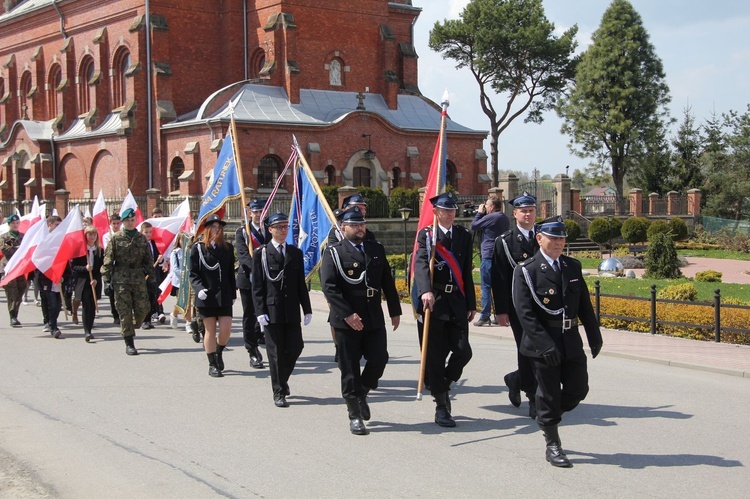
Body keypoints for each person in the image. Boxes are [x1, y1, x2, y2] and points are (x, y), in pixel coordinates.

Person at [512, 215, 603, 468]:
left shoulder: (571, 267)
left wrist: (594, 337)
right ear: (539, 238)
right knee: (549, 394)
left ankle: (545, 419)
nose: (559, 242)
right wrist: (544, 344)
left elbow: (584, 304)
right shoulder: (527, 270)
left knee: (578, 389)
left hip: (570, 339)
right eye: (554, 237)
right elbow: (525, 314)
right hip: (543, 343)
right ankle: (553, 443)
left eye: (562, 238)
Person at [321, 207, 402, 435]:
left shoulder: (375, 249)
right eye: (355, 225)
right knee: (349, 369)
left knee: (379, 359)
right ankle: (354, 413)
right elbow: (329, 286)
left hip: (372, 314)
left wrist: (395, 310)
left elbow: (387, 281)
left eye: (362, 224)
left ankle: (363, 391)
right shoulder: (334, 252)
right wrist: (347, 314)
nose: (360, 228)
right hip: (346, 318)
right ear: (343, 227)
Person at [414, 192, 476, 428]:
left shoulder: (463, 236)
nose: (450, 214)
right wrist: (425, 290)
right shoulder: (427, 235)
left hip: (457, 301)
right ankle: (441, 405)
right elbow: (420, 263)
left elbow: (467, 270)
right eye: (445, 210)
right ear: (436, 212)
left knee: (463, 351)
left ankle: (444, 383)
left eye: (452, 211)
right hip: (435, 302)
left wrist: (471, 303)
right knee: (436, 357)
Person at [252, 212, 312, 407]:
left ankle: (282, 379)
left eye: (286, 227)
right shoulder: (261, 253)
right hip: (272, 310)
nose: (283, 230)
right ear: (270, 230)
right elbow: (258, 286)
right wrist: (260, 310)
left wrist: (307, 308)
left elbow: (300, 284)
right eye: (279, 227)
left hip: (291, 309)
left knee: (296, 347)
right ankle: (279, 391)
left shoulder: (295, 253)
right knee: (275, 353)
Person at [491, 191, 540, 417]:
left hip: (544, 306)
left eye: (531, 210)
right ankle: (533, 396)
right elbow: (499, 278)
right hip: (518, 307)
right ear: (515, 213)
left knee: (546, 349)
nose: (528, 215)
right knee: (527, 350)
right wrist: (500, 310)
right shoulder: (505, 242)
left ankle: (516, 378)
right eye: (524, 211)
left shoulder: (544, 237)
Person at [102, 208, 155, 356]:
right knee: (124, 312)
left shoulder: (141, 238)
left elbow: (148, 260)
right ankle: (129, 341)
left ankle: (131, 327)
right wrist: (106, 280)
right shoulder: (116, 238)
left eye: (132, 220)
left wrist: (152, 280)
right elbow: (108, 260)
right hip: (121, 279)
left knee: (143, 308)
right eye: (127, 221)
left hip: (138, 278)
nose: (130, 223)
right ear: (123, 222)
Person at [189, 214, 236, 378]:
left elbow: (230, 273)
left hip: (223, 295)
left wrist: (233, 292)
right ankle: (212, 364)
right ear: (207, 229)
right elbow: (193, 273)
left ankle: (219, 350)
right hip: (206, 296)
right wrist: (199, 288)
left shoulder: (228, 248)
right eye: (213, 227)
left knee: (226, 329)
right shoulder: (198, 248)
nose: (217, 230)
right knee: (210, 330)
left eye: (219, 227)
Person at [236, 198, 270, 369]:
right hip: (248, 280)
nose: (258, 215)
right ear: (249, 213)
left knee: (266, 312)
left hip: (268, 279)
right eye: (255, 212)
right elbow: (243, 255)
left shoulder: (270, 230)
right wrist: (256, 272)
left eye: (261, 211)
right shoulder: (243, 232)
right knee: (250, 315)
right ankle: (252, 350)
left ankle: (264, 339)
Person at [470, 194, 509, 326]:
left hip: (488, 255)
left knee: (486, 286)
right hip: (500, 256)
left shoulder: (491, 217)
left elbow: (474, 226)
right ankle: (499, 315)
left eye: (486, 205)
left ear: (492, 207)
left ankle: (485, 316)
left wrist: (479, 213)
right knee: (498, 287)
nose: (485, 207)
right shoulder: (504, 217)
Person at [70, 226, 104, 342]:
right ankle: (87, 331)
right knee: (86, 305)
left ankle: (90, 325)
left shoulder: (99, 251)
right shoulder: (80, 251)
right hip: (83, 282)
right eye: (90, 234)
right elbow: (74, 266)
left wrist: (96, 279)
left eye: (94, 234)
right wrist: (85, 268)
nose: (92, 237)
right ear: (85, 236)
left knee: (92, 306)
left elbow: (101, 267)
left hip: (94, 282)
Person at [141, 221, 168, 328]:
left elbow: (158, 257)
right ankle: (144, 320)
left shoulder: (153, 243)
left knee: (152, 296)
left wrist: (161, 260)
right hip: (143, 274)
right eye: (146, 232)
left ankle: (149, 319)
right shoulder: (140, 244)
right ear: (141, 232)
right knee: (144, 298)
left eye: (150, 232)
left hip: (153, 275)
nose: (148, 234)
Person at [1, 213, 26, 327]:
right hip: (9, 267)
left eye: (17, 223)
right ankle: (12, 316)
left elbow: (27, 250)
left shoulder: (24, 236)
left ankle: (15, 312)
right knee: (12, 292)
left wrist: (18, 249)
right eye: (13, 223)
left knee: (21, 290)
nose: (15, 225)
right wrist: (20, 249)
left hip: (20, 268)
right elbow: (6, 250)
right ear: (9, 224)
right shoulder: (4, 237)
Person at [168, 234, 192, 330]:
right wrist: (184, 276)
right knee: (181, 302)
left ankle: (188, 323)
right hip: (179, 282)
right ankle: (174, 314)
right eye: (183, 240)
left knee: (189, 302)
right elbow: (175, 268)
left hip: (190, 281)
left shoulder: (190, 252)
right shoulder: (175, 253)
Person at [102, 213, 122, 325]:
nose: (116, 225)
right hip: (112, 266)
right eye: (114, 223)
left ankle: (122, 312)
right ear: (110, 224)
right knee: (112, 291)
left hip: (121, 266)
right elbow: (107, 250)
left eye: (118, 223)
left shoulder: (123, 234)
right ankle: (115, 314)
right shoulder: (107, 236)